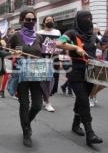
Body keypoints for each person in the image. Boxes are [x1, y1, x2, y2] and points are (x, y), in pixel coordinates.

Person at [56, 10, 103, 146]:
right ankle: (90, 133)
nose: (88, 20)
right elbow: (59, 43)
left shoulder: (93, 36)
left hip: (91, 72)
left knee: (81, 100)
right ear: (79, 19)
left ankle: (75, 124)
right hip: (75, 71)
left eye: (90, 18)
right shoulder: (71, 33)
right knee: (83, 99)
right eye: (85, 18)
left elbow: (101, 47)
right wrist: (75, 47)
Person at [9, 10, 44, 147]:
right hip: (21, 75)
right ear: (22, 20)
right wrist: (14, 54)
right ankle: (26, 132)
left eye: (33, 19)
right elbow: (2, 50)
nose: (30, 22)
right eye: (27, 19)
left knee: (37, 105)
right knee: (24, 104)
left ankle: (27, 122)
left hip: (36, 74)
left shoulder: (39, 37)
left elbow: (44, 55)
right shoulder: (16, 36)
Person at [37, 16, 61, 112]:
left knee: (53, 79)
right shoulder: (39, 33)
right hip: (42, 58)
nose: (49, 21)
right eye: (47, 20)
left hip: (54, 58)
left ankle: (46, 97)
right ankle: (47, 102)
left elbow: (60, 45)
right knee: (44, 79)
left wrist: (61, 59)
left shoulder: (57, 32)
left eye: (51, 20)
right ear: (43, 22)